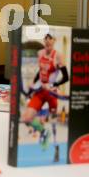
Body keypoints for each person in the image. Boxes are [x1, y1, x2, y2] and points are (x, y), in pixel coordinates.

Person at [21, 33, 69, 162]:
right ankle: (43, 131)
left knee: (54, 125)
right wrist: (33, 84)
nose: (47, 41)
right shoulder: (41, 53)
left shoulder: (57, 56)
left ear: (54, 41)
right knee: (26, 118)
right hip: (41, 92)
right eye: (46, 39)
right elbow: (40, 71)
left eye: (50, 39)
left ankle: (55, 149)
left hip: (52, 94)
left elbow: (66, 77)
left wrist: (53, 84)